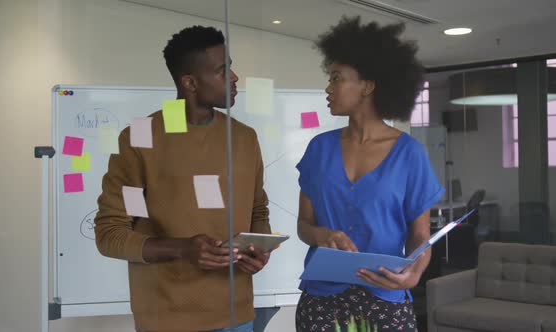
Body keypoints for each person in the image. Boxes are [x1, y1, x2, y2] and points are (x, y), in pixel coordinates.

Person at [94, 25, 272, 332]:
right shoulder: (140, 137)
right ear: (190, 82)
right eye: (222, 70)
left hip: (237, 316)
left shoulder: (243, 137)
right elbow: (111, 234)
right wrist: (183, 248)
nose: (233, 77)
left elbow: (258, 211)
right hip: (167, 319)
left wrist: (259, 251)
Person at [295, 16, 444, 332]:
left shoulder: (409, 154)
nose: (328, 87)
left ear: (368, 86)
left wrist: (415, 273)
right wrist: (322, 235)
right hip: (321, 298)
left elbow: (420, 235)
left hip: (385, 295)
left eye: (337, 78)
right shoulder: (318, 149)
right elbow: (304, 225)